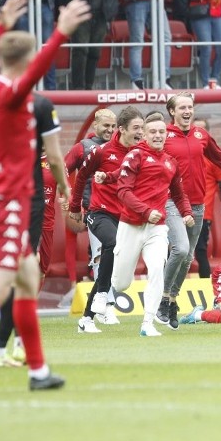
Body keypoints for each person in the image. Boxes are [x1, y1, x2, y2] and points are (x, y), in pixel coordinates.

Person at [0, 0, 90, 389]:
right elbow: (31, 76)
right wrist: (60, 33)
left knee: (28, 278)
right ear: (27, 61)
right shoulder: (18, 98)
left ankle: (38, 371)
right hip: (7, 202)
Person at [157, 93, 221, 331]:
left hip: (198, 204)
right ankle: (163, 297)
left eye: (190, 107)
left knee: (188, 255)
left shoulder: (201, 135)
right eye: (182, 107)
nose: (187, 111)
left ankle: (172, 299)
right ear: (172, 112)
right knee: (180, 249)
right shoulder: (164, 135)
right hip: (171, 201)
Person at [0, 92, 68, 367]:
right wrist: (66, 187)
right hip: (17, 205)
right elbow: (56, 160)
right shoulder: (39, 106)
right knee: (11, 281)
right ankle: (24, 356)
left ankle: (9, 353)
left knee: (19, 278)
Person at [100, 111, 194, 337]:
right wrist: (145, 210)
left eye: (162, 132)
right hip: (131, 225)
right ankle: (105, 295)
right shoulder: (135, 156)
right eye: (153, 132)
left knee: (156, 271)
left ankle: (148, 323)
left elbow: (179, 195)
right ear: (144, 134)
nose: (158, 135)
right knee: (121, 283)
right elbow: (123, 191)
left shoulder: (171, 162)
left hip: (157, 227)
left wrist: (186, 213)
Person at [68, 106, 145, 333]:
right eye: (136, 128)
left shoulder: (141, 153)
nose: (141, 132)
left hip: (125, 217)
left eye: (142, 128)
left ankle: (86, 319)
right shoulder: (101, 152)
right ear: (121, 130)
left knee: (111, 268)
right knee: (111, 245)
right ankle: (103, 295)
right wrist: (75, 207)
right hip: (99, 213)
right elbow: (81, 175)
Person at [193, 119, 221, 279]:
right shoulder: (181, 154)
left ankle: (206, 289)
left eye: (202, 131)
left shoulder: (212, 158)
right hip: (181, 212)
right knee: (176, 252)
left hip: (203, 214)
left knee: (201, 251)